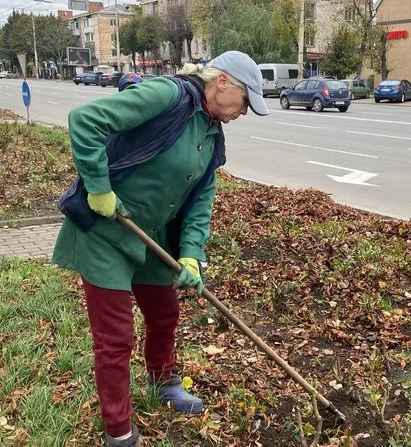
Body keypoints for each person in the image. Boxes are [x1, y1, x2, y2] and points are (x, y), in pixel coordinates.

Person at [51, 50, 268, 447]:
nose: (245, 112)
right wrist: (99, 187)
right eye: (246, 101)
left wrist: (190, 253)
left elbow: (201, 198)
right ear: (222, 83)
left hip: (151, 236)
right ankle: (118, 431)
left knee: (165, 313)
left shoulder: (211, 132)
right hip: (107, 230)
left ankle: (163, 381)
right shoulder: (167, 95)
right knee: (115, 337)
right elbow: (85, 121)